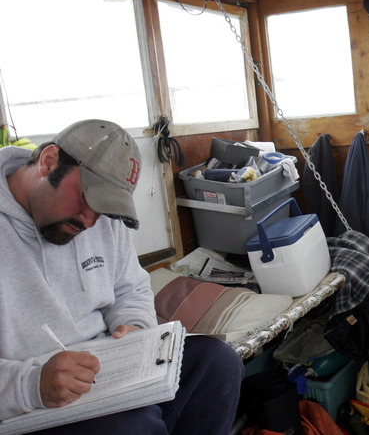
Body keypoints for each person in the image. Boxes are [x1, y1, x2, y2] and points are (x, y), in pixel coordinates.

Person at [0, 120, 244, 434]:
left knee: (218, 364)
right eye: (87, 199)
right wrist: (33, 385)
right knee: (132, 426)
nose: (90, 221)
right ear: (49, 162)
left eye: (104, 209)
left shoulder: (99, 220)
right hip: (30, 402)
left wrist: (137, 328)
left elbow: (132, 288)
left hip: (105, 375)